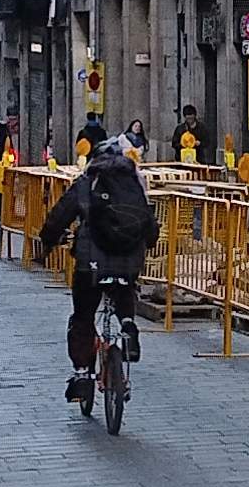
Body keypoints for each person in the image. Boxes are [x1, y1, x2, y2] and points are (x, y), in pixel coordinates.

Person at [35, 138, 158, 403]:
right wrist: (146, 243)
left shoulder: (87, 182)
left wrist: (46, 242)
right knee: (124, 290)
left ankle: (81, 375)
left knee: (83, 316)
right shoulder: (134, 184)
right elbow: (150, 226)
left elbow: (59, 217)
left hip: (90, 264)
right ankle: (128, 326)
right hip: (128, 261)